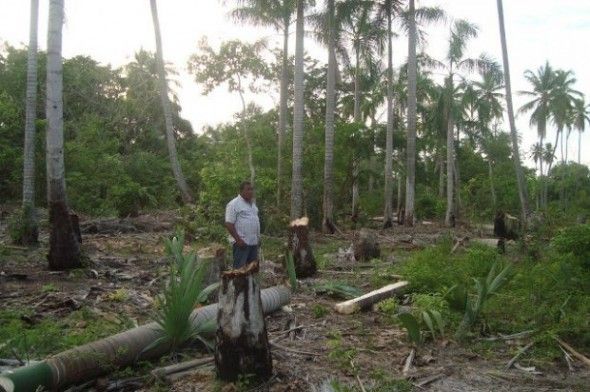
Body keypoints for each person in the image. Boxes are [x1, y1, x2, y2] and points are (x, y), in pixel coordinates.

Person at [224, 181, 260, 269]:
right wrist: (238, 240)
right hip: (242, 243)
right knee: (240, 269)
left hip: (253, 243)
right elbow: (229, 223)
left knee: (252, 268)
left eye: (252, 189)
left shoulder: (253, 205)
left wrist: (258, 238)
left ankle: (250, 283)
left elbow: (255, 222)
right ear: (241, 191)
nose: (250, 191)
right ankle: (238, 283)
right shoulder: (233, 204)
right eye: (248, 189)